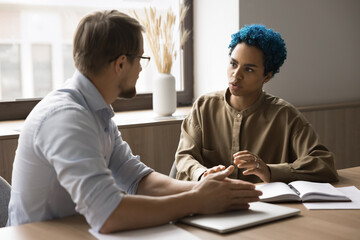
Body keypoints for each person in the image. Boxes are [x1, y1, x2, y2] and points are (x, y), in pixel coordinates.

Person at [6, 10, 262, 233]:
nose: (141, 68)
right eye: (140, 58)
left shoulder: (96, 111)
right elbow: (107, 215)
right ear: (120, 64)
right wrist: (197, 200)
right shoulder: (67, 118)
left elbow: (138, 180)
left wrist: (200, 186)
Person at [175, 24, 339, 184]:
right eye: (233, 64)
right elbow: (184, 157)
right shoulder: (204, 107)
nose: (236, 75)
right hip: (210, 205)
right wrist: (203, 174)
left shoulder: (286, 116)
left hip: (266, 209)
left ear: (267, 76)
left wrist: (269, 171)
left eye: (249, 69)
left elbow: (324, 164)